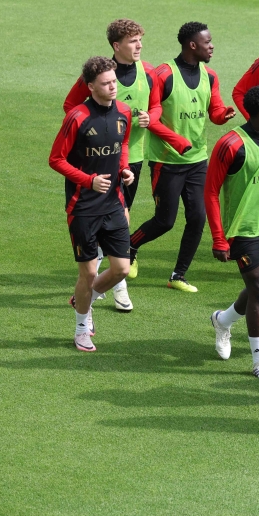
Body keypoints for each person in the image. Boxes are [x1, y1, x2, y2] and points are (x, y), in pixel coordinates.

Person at [129, 22, 237, 293]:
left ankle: (179, 275)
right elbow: (150, 117)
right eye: (207, 42)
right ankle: (130, 245)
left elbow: (214, 111)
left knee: (198, 218)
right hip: (167, 162)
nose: (212, 46)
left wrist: (223, 115)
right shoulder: (164, 75)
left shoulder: (210, 76)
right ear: (192, 45)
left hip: (198, 160)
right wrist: (177, 141)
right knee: (165, 221)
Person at [63, 19, 153, 308]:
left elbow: (157, 103)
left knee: (120, 217)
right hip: (95, 168)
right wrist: (90, 138)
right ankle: (115, 285)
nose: (139, 45)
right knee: (118, 217)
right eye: (133, 41)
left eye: (140, 40)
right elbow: (71, 108)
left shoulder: (148, 71)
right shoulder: (96, 74)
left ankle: (110, 281)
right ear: (117, 46)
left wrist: (149, 117)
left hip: (131, 159)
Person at [205, 86, 259, 380]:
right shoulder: (231, 144)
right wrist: (218, 237)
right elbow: (211, 192)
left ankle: (223, 320)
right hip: (243, 230)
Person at [49, 57, 134, 352]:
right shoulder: (77, 117)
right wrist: (88, 180)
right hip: (83, 207)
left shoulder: (124, 112)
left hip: (113, 203)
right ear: (90, 87)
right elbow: (55, 159)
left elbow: (122, 143)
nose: (113, 87)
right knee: (87, 274)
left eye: (114, 81)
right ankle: (81, 327)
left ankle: (84, 297)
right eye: (106, 83)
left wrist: (123, 169)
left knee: (122, 269)